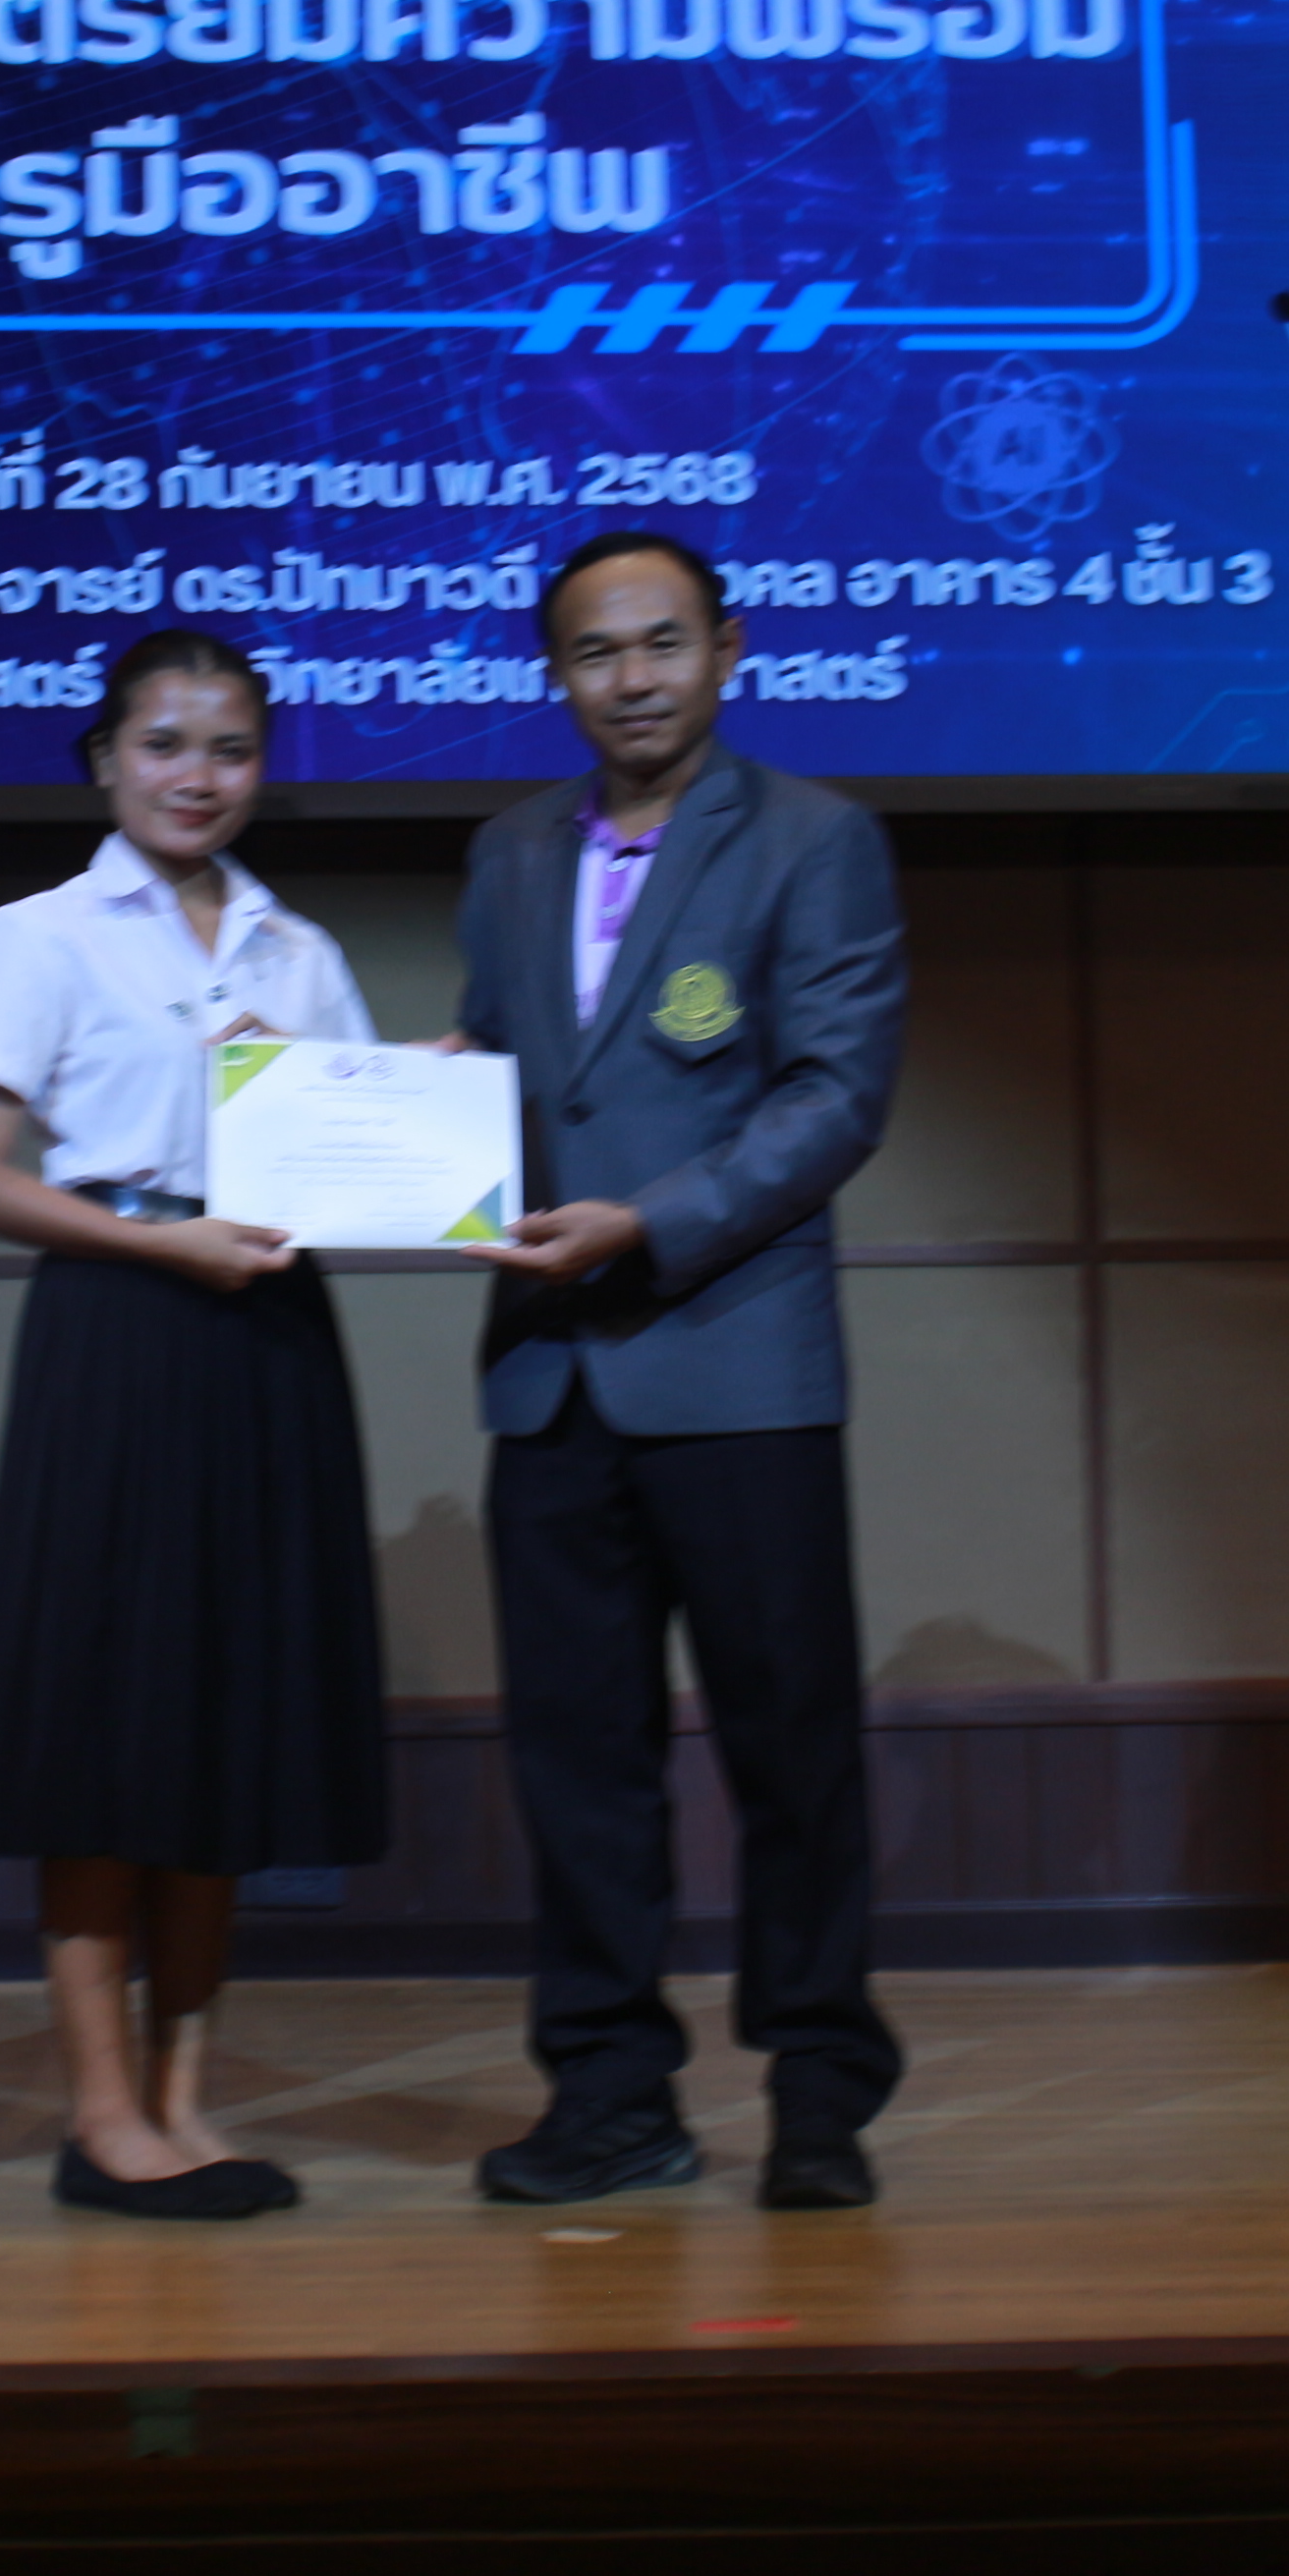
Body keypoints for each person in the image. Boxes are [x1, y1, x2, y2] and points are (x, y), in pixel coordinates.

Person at [448, 530, 909, 2212]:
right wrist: (415, 1114)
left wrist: (649, 1224)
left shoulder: (815, 839)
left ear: (729, 647)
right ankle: (609, 2092)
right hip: (550, 1382)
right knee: (578, 1763)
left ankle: (819, 2088)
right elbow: (512, 1076)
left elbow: (835, 1096)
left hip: (736, 1367)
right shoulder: (509, 851)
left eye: (660, 644)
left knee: (792, 1751)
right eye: (595, 652)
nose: (630, 678)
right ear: (555, 674)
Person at [0, 631, 391, 2224]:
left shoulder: (298, 949)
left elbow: (351, 1168)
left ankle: (188, 2105)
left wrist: (421, 1113)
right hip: (117, 1331)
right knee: (105, 1732)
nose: (199, 777)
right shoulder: (39, 936)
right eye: (166, 744)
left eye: (230, 749)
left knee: (225, 1727)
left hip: (267, 1336)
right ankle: (101, 2114)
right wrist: (162, 1243)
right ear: (103, 759)